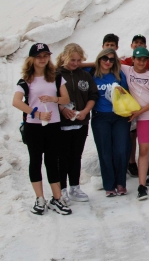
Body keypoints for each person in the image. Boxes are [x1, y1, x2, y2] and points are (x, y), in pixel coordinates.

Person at [12, 43, 72, 215]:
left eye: (46, 56)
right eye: (39, 56)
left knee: (53, 161)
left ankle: (56, 198)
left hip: (53, 126)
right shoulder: (25, 80)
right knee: (35, 161)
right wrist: (35, 114)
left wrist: (53, 99)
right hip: (34, 127)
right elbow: (16, 102)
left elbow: (65, 97)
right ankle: (39, 198)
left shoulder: (56, 77)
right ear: (32, 59)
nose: (42, 59)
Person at [56, 43, 99, 204]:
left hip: (81, 122)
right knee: (62, 157)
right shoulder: (55, 75)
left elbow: (93, 96)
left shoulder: (85, 75)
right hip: (61, 123)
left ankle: (75, 186)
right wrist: (61, 108)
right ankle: (62, 189)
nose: (75, 63)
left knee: (76, 156)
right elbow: (48, 96)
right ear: (64, 57)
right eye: (72, 60)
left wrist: (86, 111)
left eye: (78, 60)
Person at [122, 47, 149, 200]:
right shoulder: (127, 70)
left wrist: (139, 112)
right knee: (144, 149)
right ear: (133, 59)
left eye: (144, 59)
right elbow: (103, 60)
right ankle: (142, 185)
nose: (141, 62)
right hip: (143, 118)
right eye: (138, 59)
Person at [90, 48, 131, 196]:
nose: (108, 62)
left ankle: (121, 183)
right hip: (100, 116)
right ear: (99, 59)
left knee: (121, 150)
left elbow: (127, 93)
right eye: (105, 58)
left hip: (119, 116)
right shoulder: (92, 74)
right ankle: (109, 185)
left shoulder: (118, 74)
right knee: (105, 152)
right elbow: (74, 65)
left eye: (112, 59)